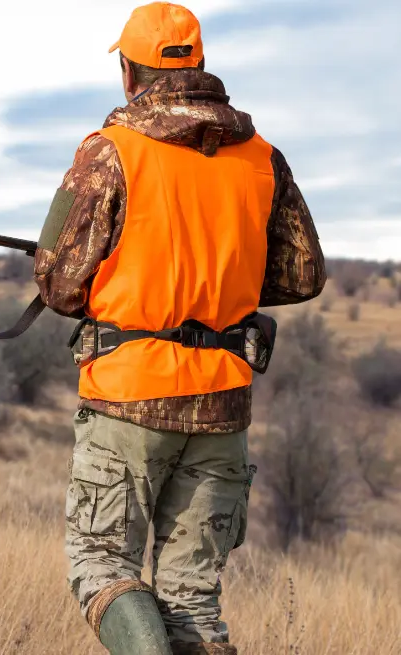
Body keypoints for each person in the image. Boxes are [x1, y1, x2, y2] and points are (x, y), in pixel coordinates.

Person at [32, 2, 326, 654]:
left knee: (102, 564)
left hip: (128, 398)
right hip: (223, 405)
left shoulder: (109, 153)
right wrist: (226, 282)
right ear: (197, 65)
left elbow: (55, 282)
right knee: (191, 602)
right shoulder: (262, 157)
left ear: (127, 73)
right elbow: (305, 272)